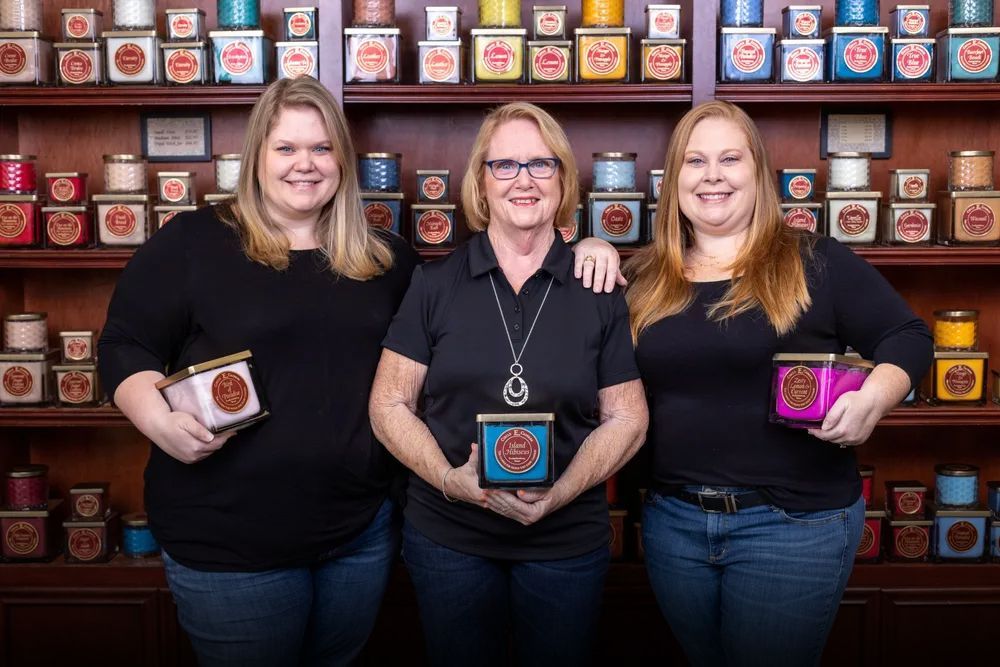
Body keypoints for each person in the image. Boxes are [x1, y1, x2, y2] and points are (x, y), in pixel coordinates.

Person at [98, 78, 621, 666]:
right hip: (230, 539)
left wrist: (582, 245)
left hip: (358, 536)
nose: (305, 164)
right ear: (256, 159)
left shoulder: (385, 258)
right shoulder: (193, 244)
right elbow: (123, 346)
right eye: (286, 149)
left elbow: (486, 312)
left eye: (321, 149)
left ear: (342, 162)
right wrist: (156, 419)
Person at [626, 101, 932, 667]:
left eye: (729, 159)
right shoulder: (644, 277)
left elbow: (908, 335)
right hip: (674, 523)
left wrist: (876, 395)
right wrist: (591, 248)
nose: (712, 175)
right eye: (695, 161)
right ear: (674, 181)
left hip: (794, 524)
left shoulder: (813, 261)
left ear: (759, 173)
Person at [369, 102, 649, 667]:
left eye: (542, 165)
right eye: (505, 166)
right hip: (449, 537)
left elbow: (629, 417)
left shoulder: (598, 286)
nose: (524, 179)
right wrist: (451, 480)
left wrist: (562, 491)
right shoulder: (433, 283)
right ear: (481, 181)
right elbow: (389, 404)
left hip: (566, 542)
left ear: (564, 180)